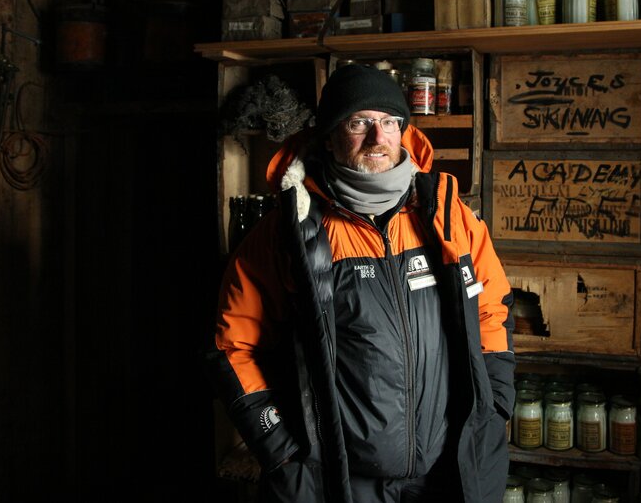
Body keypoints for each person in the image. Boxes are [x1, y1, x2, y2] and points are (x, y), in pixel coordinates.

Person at [209, 64, 515, 503]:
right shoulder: (288, 233)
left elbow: (491, 309)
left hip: (447, 471)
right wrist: (279, 446)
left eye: (389, 122)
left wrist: (495, 402)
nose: (378, 138)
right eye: (359, 123)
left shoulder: (449, 218)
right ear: (329, 136)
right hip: (341, 482)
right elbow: (234, 346)